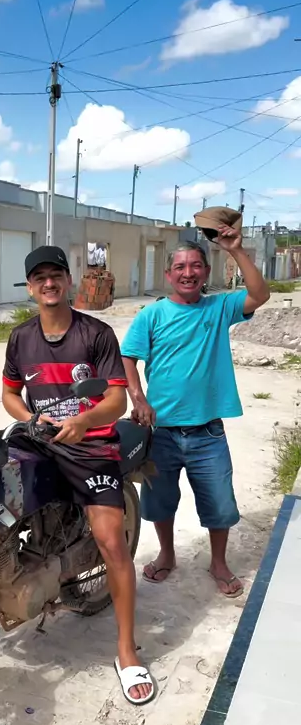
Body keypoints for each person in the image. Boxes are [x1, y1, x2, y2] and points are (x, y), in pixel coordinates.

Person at [2, 245, 154, 705]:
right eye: (39, 278)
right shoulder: (20, 338)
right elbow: (10, 395)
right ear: (30, 288)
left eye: (56, 275)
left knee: (111, 542)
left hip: (91, 446)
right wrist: (31, 417)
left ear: (68, 282)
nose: (48, 283)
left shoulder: (96, 333)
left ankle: (126, 651)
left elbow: (116, 401)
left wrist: (84, 422)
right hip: (39, 438)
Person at [121, 214, 270, 598]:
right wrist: (138, 398)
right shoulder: (152, 314)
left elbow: (259, 295)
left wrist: (236, 250)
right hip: (161, 432)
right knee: (160, 501)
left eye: (195, 266)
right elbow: (128, 357)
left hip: (208, 432)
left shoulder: (218, 308)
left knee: (219, 502)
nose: (188, 273)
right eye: (180, 267)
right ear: (168, 275)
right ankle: (167, 554)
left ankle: (218, 562)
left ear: (205, 272)